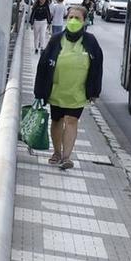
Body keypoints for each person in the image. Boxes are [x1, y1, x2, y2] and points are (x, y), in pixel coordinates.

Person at [32, 9, 103, 169]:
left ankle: (66, 157)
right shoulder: (56, 40)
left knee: (72, 121)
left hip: (77, 93)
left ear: (84, 21)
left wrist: (95, 91)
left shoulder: (91, 42)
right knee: (57, 121)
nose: (73, 20)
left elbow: (97, 67)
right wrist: (39, 92)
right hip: (57, 91)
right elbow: (42, 66)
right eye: (70, 17)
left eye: (77, 18)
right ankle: (57, 152)